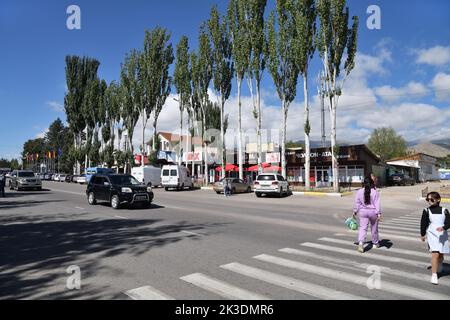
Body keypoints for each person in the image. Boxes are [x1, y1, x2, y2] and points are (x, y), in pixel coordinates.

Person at [420, 192, 450, 285]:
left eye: (431, 199)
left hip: (442, 234)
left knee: (440, 253)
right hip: (432, 234)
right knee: (435, 253)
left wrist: (443, 228)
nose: (429, 201)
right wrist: (423, 234)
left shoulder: (444, 210)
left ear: (438, 200)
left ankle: (440, 264)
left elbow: (449, 222)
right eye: (427, 199)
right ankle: (434, 275)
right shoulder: (426, 210)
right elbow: (423, 223)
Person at [353, 176, 381, 253]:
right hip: (373, 212)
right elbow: (377, 204)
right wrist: (379, 213)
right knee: (374, 228)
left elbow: (357, 203)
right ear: (372, 183)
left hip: (363, 212)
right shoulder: (375, 192)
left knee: (363, 228)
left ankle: (361, 242)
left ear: (364, 183)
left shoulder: (359, 191)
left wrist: (355, 211)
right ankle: (375, 243)